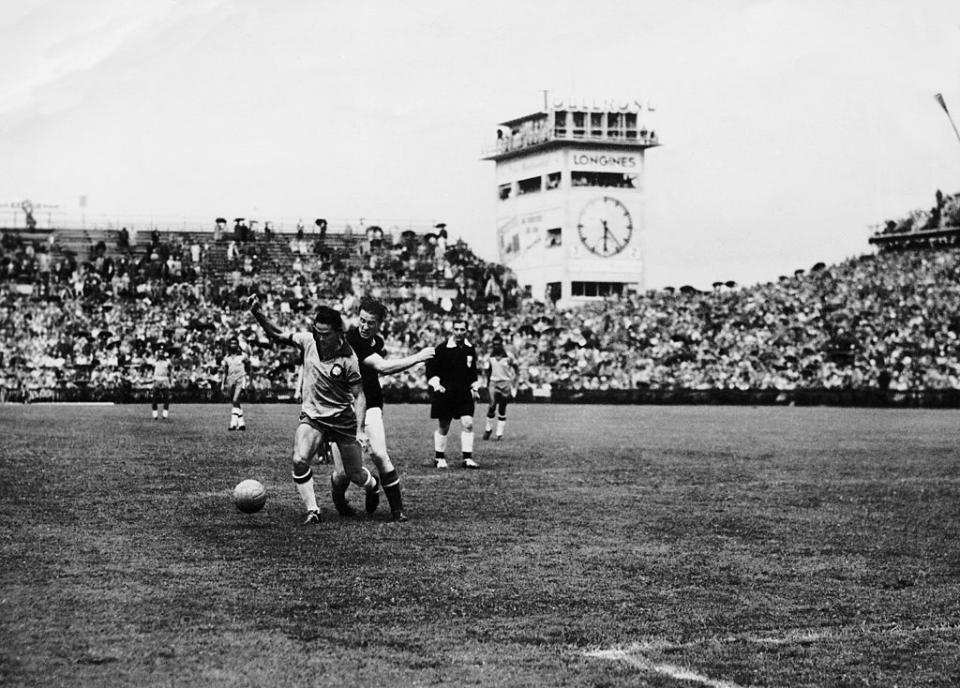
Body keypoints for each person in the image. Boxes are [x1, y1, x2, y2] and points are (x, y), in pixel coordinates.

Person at [246, 296, 379, 524]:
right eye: (317, 332)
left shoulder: (348, 358)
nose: (320, 337)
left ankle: (373, 486)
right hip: (313, 416)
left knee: (354, 474)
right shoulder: (308, 341)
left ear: (338, 332)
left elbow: (359, 396)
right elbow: (278, 334)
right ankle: (313, 510)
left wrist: (359, 430)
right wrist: (258, 313)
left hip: (341, 419)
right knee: (299, 460)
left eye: (325, 334)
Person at [330, 297, 435, 522]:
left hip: (371, 405)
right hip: (343, 410)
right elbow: (382, 367)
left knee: (379, 454)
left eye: (371, 322)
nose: (365, 326)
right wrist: (418, 357)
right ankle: (344, 502)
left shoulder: (376, 341)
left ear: (379, 324)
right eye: (362, 321)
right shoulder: (350, 340)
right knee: (342, 474)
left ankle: (398, 510)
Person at [425, 317, 482, 469]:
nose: (459, 332)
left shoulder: (470, 349)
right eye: (456, 329)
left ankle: (467, 458)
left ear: (466, 331)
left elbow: (473, 373)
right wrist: (437, 385)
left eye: (462, 329)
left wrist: (475, 388)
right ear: (452, 330)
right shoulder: (442, 348)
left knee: (468, 423)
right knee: (444, 425)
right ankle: (439, 457)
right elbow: (431, 370)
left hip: (463, 393)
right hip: (445, 392)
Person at [482, 334, 519, 441]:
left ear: (502, 344)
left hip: (505, 383)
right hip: (494, 383)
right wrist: (487, 383)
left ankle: (499, 433)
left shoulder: (509, 356)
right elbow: (487, 370)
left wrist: (514, 381)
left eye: (498, 344)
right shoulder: (490, 356)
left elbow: (516, 368)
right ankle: (488, 429)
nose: (496, 346)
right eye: (494, 344)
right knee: (492, 405)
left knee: (502, 408)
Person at [220, 339, 249, 431]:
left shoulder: (243, 356)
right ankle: (241, 424)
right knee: (236, 402)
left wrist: (248, 381)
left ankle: (233, 424)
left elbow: (249, 368)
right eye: (231, 343)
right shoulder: (226, 358)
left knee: (235, 399)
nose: (233, 345)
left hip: (241, 379)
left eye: (235, 343)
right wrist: (222, 383)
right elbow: (224, 371)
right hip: (231, 381)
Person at [149, 348, 174, 420]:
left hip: (164, 380)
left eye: (161, 353)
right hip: (156, 380)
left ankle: (165, 414)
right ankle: (155, 414)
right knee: (154, 398)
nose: (160, 354)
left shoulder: (167, 362)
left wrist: (171, 381)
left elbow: (170, 371)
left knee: (166, 398)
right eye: (159, 353)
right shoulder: (155, 362)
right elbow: (150, 365)